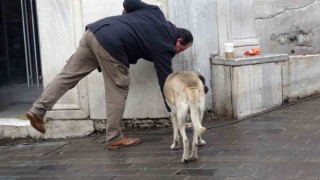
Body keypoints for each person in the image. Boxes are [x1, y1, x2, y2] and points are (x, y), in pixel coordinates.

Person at [26, 0, 193, 149]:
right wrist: (176, 112)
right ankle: (114, 137)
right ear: (178, 41)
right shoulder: (165, 46)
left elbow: (129, 2)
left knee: (67, 76)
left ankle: (38, 110)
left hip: (95, 32)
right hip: (112, 45)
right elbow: (166, 81)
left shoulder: (155, 12)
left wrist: (127, 22)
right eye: (181, 49)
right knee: (118, 87)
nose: (177, 52)